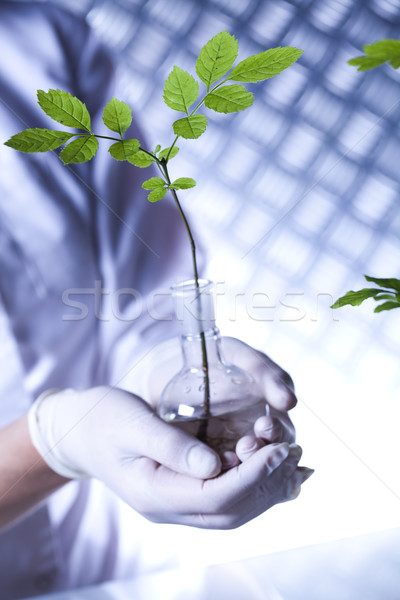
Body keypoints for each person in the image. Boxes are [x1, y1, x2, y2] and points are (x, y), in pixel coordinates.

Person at [0, 1, 312, 597]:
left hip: (121, 575)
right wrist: (54, 443)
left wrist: (169, 362)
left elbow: (142, 295)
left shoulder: (35, 39)